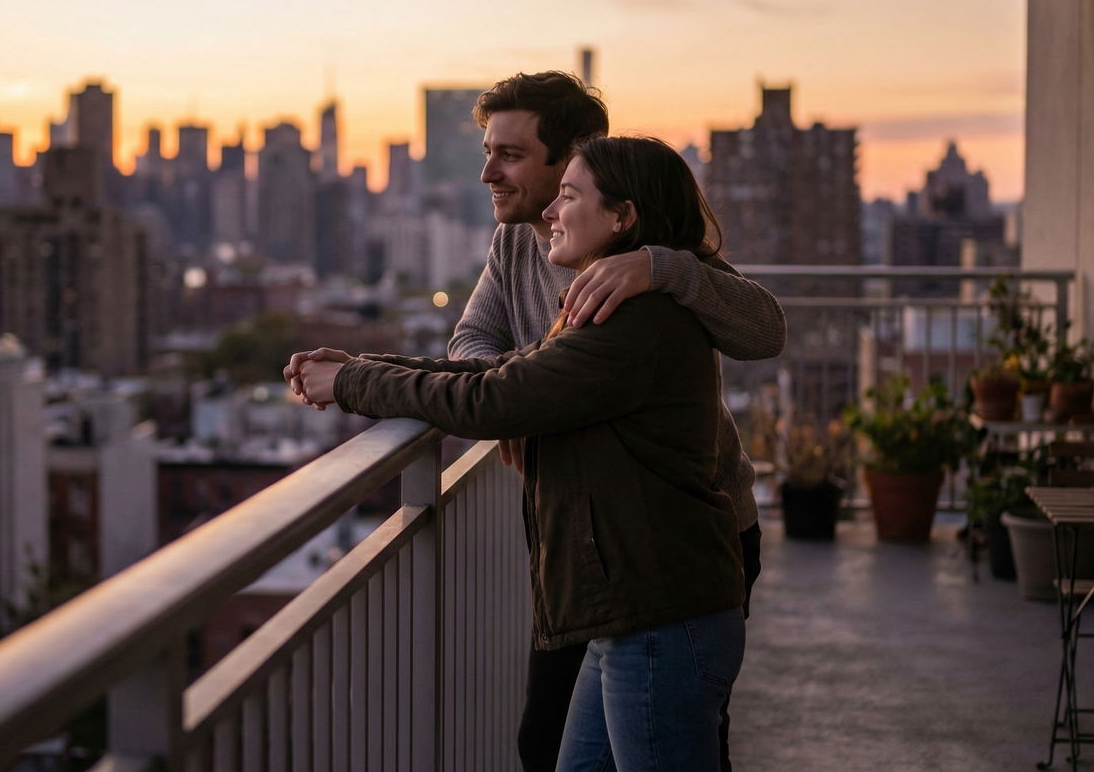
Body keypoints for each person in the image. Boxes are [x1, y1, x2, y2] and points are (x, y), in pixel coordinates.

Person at [290, 136, 752, 768]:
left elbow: (492, 401)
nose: (553, 214)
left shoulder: (637, 320)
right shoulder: (607, 306)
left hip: (660, 618)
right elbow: (503, 370)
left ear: (621, 217)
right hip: (632, 610)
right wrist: (364, 366)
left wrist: (350, 384)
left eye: (569, 196)